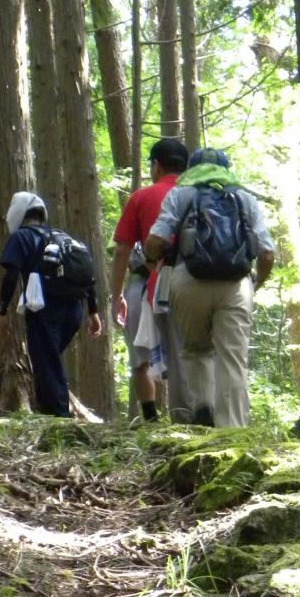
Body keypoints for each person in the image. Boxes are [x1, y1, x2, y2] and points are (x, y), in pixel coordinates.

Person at [143, 147, 275, 427]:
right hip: (235, 285)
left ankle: (203, 412)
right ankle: (232, 432)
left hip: (189, 280)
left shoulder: (180, 194)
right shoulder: (244, 198)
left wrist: (152, 261)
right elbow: (267, 254)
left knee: (196, 349)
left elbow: (156, 240)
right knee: (232, 358)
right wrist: (256, 283)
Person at [0, 191, 102, 417]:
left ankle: (59, 420)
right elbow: (87, 276)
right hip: (75, 309)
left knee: (46, 361)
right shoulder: (61, 236)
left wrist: (1, 312)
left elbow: (11, 275)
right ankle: (50, 412)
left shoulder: (21, 237)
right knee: (47, 359)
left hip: (45, 308)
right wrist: (93, 312)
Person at [110, 137, 191, 423]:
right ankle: (191, 418)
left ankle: (151, 420)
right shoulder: (198, 194)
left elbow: (121, 251)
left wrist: (115, 294)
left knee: (139, 357)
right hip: (193, 283)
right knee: (189, 352)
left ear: (156, 166)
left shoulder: (142, 197)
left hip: (147, 282)